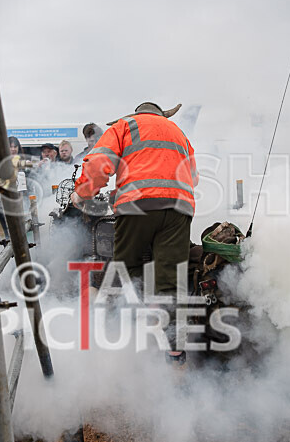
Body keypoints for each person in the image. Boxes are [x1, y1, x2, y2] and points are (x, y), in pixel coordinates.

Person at [71, 102, 197, 364]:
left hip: (137, 207)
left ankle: (141, 320)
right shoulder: (178, 132)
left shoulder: (125, 126)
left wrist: (81, 193)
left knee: (126, 268)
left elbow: (99, 163)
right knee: (171, 279)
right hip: (179, 208)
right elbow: (193, 178)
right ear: (160, 115)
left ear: (138, 113)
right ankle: (175, 353)